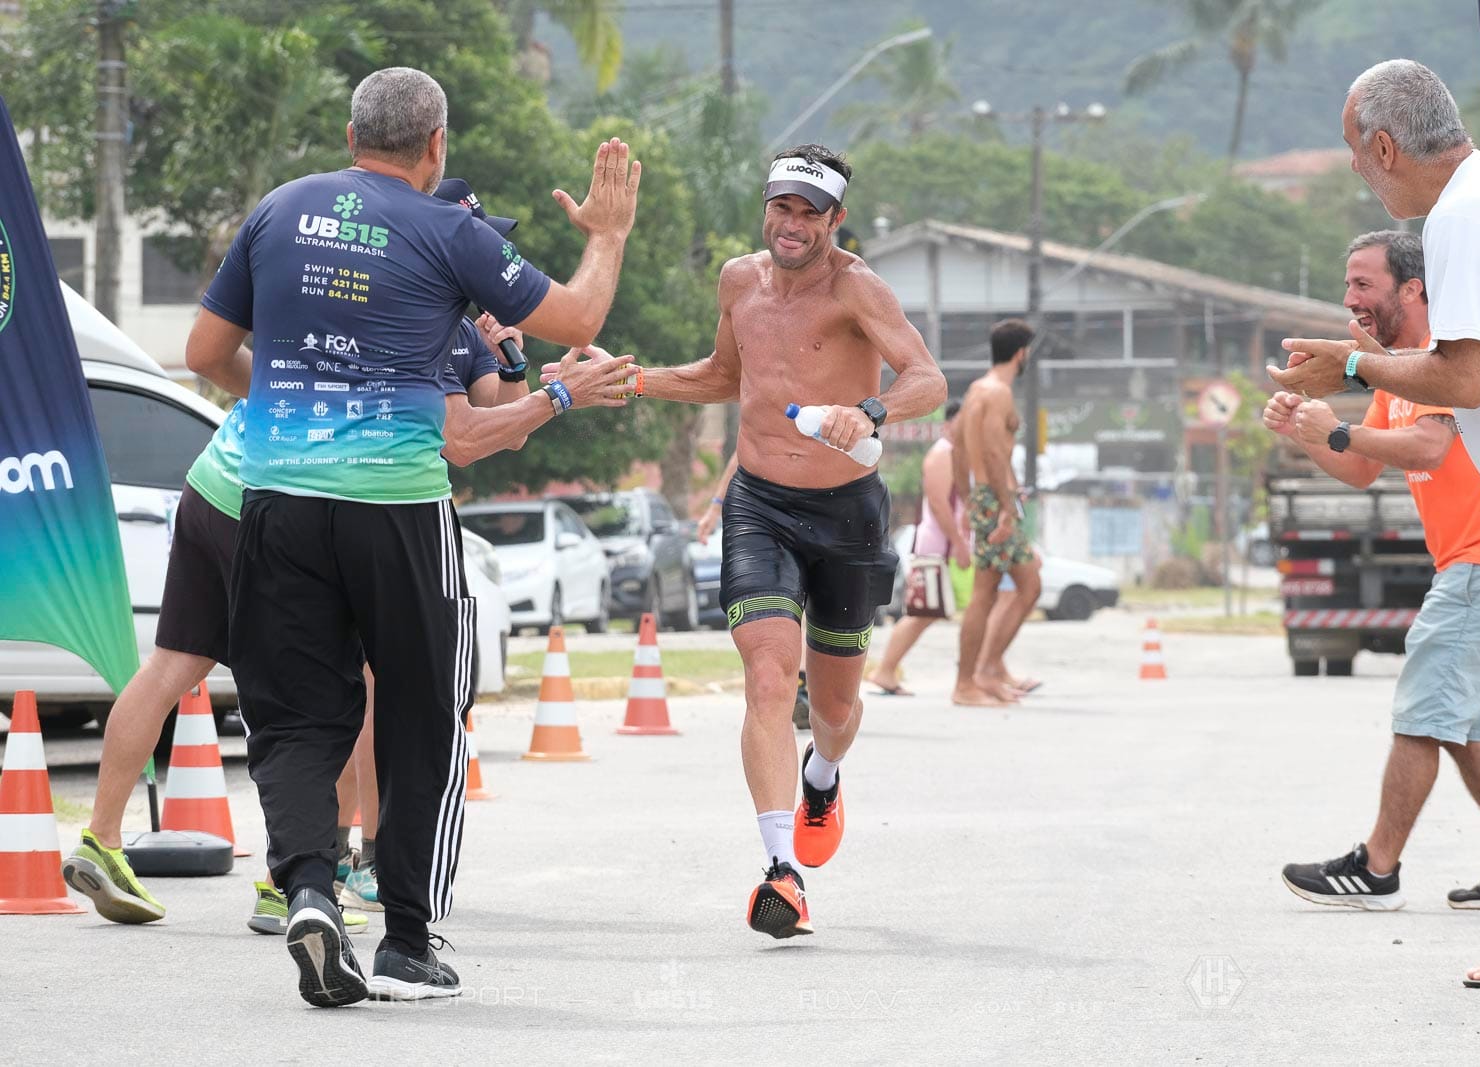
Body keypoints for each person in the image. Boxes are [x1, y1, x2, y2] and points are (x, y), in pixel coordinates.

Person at [184, 67, 640, 1006]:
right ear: (436, 146)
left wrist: (286, 411)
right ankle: (404, 940)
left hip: (277, 498)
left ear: (353, 135)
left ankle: (309, 887)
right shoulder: (448, 228)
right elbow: (581, 319)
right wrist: (609, 234)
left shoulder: (280, 210)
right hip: (396, 503)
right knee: (425, 708)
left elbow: (202, 355)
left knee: (297, 715)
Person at [1273, 60, 1480, 988]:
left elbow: (1465, 379)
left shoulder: (1457, 216)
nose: (1355, 172)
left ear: (1385, 145)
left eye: (1352, 151)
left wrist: (1354, 366)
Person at [62, 296, 536, 931]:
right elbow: (472, 439)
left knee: (174, 663)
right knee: (336, 690)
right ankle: (298, 877)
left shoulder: (363, 292)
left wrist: (512, 362)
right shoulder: (416, 313)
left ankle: (101, 838)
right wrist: (551, 395)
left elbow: (499, 420)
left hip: (213, 483)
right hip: (278, 496)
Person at [612, 144, 946, 938]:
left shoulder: (857, 287)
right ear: (766, 208)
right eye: (781, 207)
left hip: (846, 515)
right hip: (759, 503)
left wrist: (869, 411)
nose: (792, 224)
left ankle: (822, 778)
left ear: (836, 221)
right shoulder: (739, 280)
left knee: (833, 706)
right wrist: (629, 378)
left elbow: (928, 379)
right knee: (769, 675)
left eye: (810, 212)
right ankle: (780, 872)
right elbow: (724, 376)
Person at [1268, 230, 1480, 912]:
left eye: (1364, 284)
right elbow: (1365, 469)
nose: (1351, 299)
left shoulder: (1443, 361)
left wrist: (1332, 429)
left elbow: (1427, 445)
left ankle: (1376, 869)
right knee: (1464, 726)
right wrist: (1306, 435)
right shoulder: (1390, 370)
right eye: (1349, 285)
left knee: (1422, 715)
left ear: (1413, 290)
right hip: (1476, 564)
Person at [950, 319, 1043, 706]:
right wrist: (1005, 509)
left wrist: (969, 497)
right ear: (1021, 353)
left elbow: (957, 447)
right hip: (997, 498)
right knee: (1001, 590)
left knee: (1009, 586)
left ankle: (984, 672)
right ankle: (969, 681)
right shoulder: (999, 393)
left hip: (987, 496)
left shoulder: (975, 390)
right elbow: (993, 451)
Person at [700, 451, 813, 730]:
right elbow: (743, 451)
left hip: (825, 510)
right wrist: (716, 506)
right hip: (771, 514)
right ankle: (798, 684)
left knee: (814, 605)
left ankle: (807, 686)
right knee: (788, 605)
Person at [865, 399, 969, 696]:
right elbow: (938, 503)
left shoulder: (958, 455)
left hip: (949, 546)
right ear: (949, 425)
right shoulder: (943, 454)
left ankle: (980, 670)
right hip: (938, 546)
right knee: (924, 611)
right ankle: (885, 670)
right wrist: (959, 543)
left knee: (933, 612)